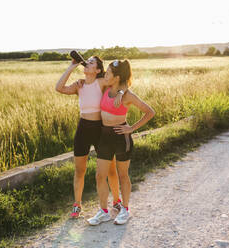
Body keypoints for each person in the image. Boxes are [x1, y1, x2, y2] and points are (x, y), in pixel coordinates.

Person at [55, 56, 125, 218]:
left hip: (100, 129)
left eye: (91, 62)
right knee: (80, 170)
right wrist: (72, 66)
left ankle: (116, 201)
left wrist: (120, 93)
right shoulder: (78, 85)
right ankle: (77, 205)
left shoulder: (100, 82)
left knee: (111, 169)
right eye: (86, 61)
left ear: (98, 70)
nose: (87, 63)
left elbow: (121, 83)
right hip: (83, 129)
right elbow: (59, 88)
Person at [87, 60, 155, 225]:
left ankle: (125, 209)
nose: (106, 75)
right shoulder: (106, 87)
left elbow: (149, 112)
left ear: (117, 77)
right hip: (104, 137)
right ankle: (103, 211)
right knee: (99, 175)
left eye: (109, 73)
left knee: (123, 175)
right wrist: (119, 91)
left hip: (120, 136)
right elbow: (95, 80)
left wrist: (132, 128)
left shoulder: (128, 95)